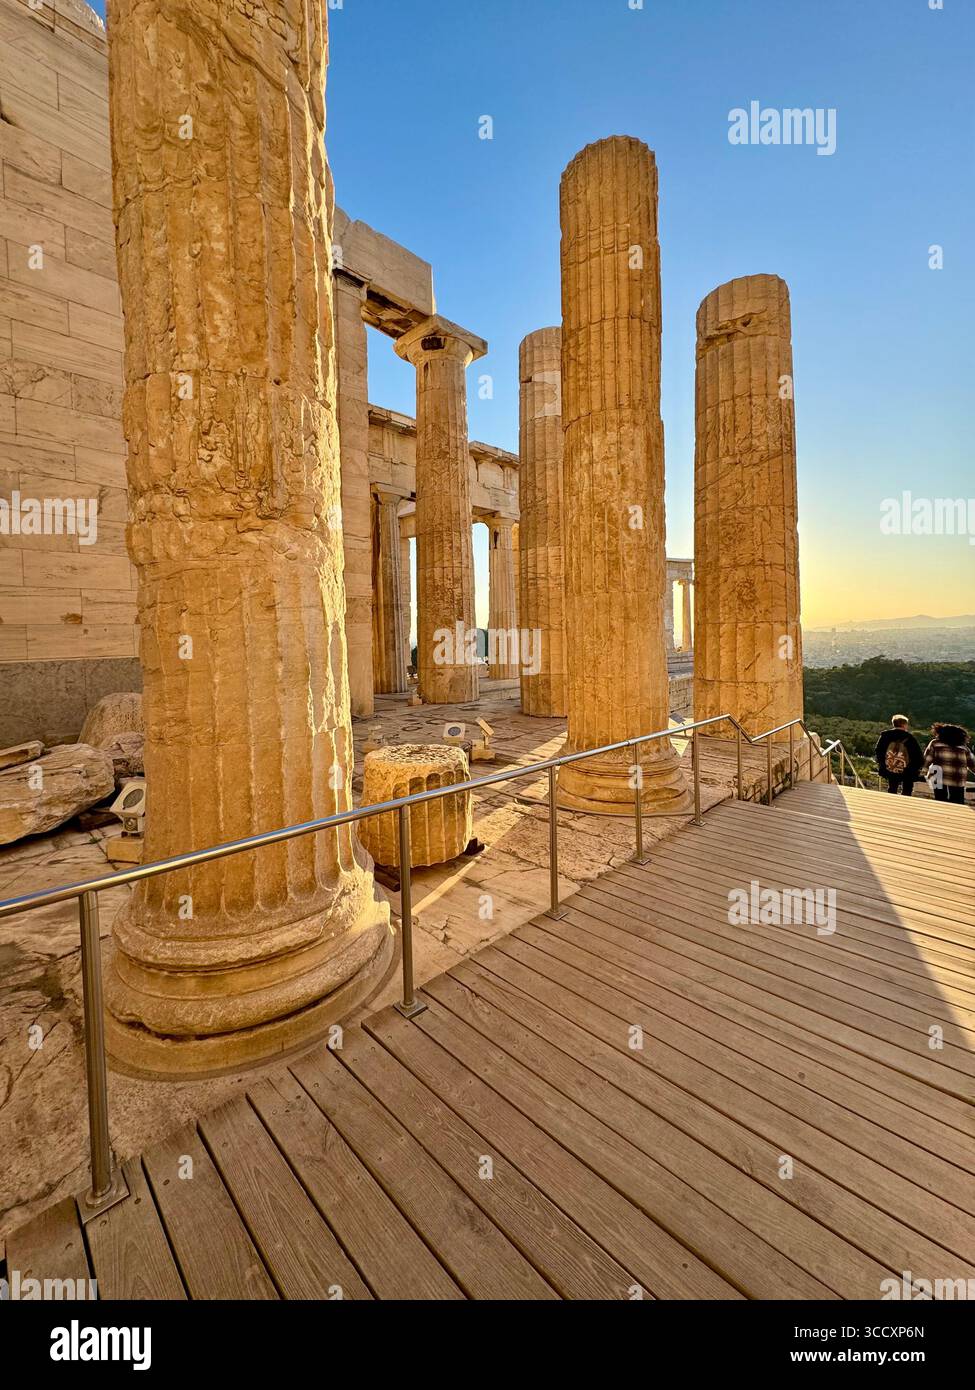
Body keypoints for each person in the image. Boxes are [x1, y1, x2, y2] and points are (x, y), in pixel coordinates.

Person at [922, 723, 975, 806]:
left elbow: (927, 760)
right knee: (957, 802)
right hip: (957, 778)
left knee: (940, 800)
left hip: (937, 777)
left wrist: (922, 773)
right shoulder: (964, 748)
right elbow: (972, 765)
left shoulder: (935, 743)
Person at [874, 715, 923, 795]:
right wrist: (916, 768)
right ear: (904, 725)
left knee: (892, 787)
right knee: (907, 789)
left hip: (890, 767)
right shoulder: (910, 738)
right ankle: (904, 804)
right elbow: (917, 755)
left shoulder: (885, 735)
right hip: (906, 769)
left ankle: (891, 804)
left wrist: (882, 764)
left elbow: (878, 750)